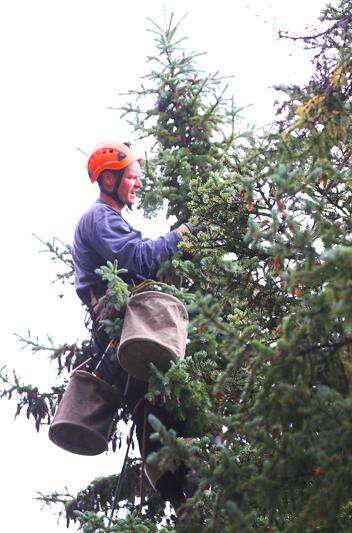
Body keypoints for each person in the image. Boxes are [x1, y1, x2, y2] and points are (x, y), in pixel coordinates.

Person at [72, 140, 194, 510]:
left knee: (154, 415)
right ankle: (190, 492)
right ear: (109, 180)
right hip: (124, 332)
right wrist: (181, 236)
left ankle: (183, 500)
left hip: (127, 332)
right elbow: (139, 258)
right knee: (160, 412)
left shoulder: (108, 218)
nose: (139, 183)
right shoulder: (100, 218)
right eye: (132, 177)